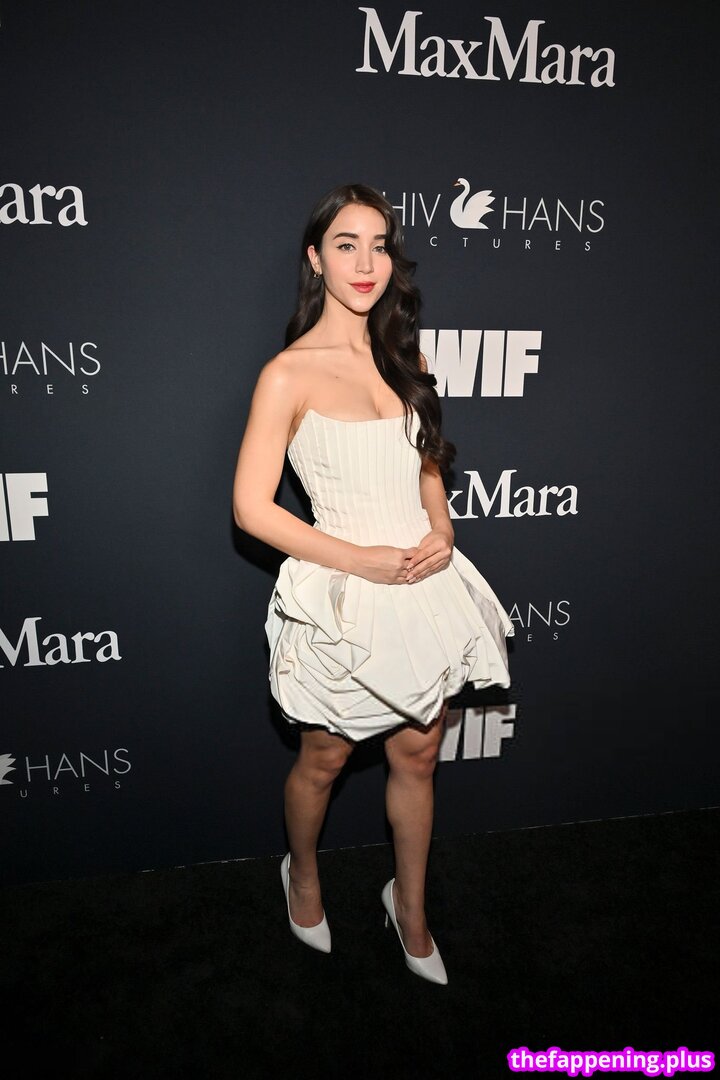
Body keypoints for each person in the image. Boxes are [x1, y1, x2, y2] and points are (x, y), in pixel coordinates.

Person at [232, 183, 514, 985]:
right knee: (323, 760)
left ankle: (409, 908)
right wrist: (361, 561)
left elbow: (427, 470)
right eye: (346, 244)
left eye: (380, 245)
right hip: (345, 592)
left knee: (419, 757)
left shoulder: (408, 361)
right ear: (316, 260)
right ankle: (304, 874)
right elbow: (251, 508)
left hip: (422, 581)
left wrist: (443, 527)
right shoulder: (287, 375)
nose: (366, 262)